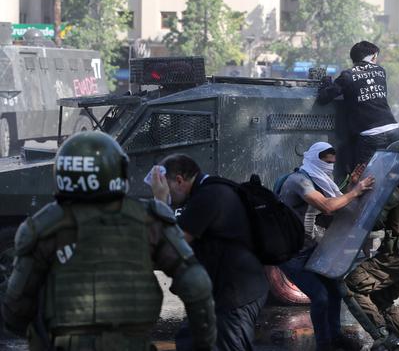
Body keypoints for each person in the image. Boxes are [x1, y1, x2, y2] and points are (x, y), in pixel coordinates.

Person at [1, 131, 216, 351]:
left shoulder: (42, 227)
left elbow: (15, 308)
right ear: (119, 172)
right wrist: (203, 343)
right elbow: (196, 285)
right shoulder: (150, 220)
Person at [151, 154, 268, 351]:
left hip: (235, 296)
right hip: (220, 295)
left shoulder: (209, 196)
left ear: (179, 180)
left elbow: (170, 246)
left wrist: (160, 201)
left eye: (166, 186)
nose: (167, 193)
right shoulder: (209, 190)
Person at [317, 40, 399, 192]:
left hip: (369, 137)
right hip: (393, 131)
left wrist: (325, 84)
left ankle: (358, 208)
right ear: (373, 56)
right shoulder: (381, 71)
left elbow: (324, 98)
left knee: (364, 180)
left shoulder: (347, 76)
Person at [278, 142, 374, 351]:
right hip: (291, 253)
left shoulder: (319, 179)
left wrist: (351, 187)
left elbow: (341, 206)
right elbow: (327, 206)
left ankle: (336, 337)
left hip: (312, 248)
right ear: (313, 159)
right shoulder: (299, 180)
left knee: (335, 292)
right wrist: (355, 191)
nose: (329, 167)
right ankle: (324, 344)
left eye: (332, 163)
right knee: (320, 297)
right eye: (325, 162)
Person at [344, 140, 399, 351]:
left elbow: (374, 221)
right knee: (382, 298)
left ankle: (382, 335)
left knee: (352, 285)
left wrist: (357, 195)